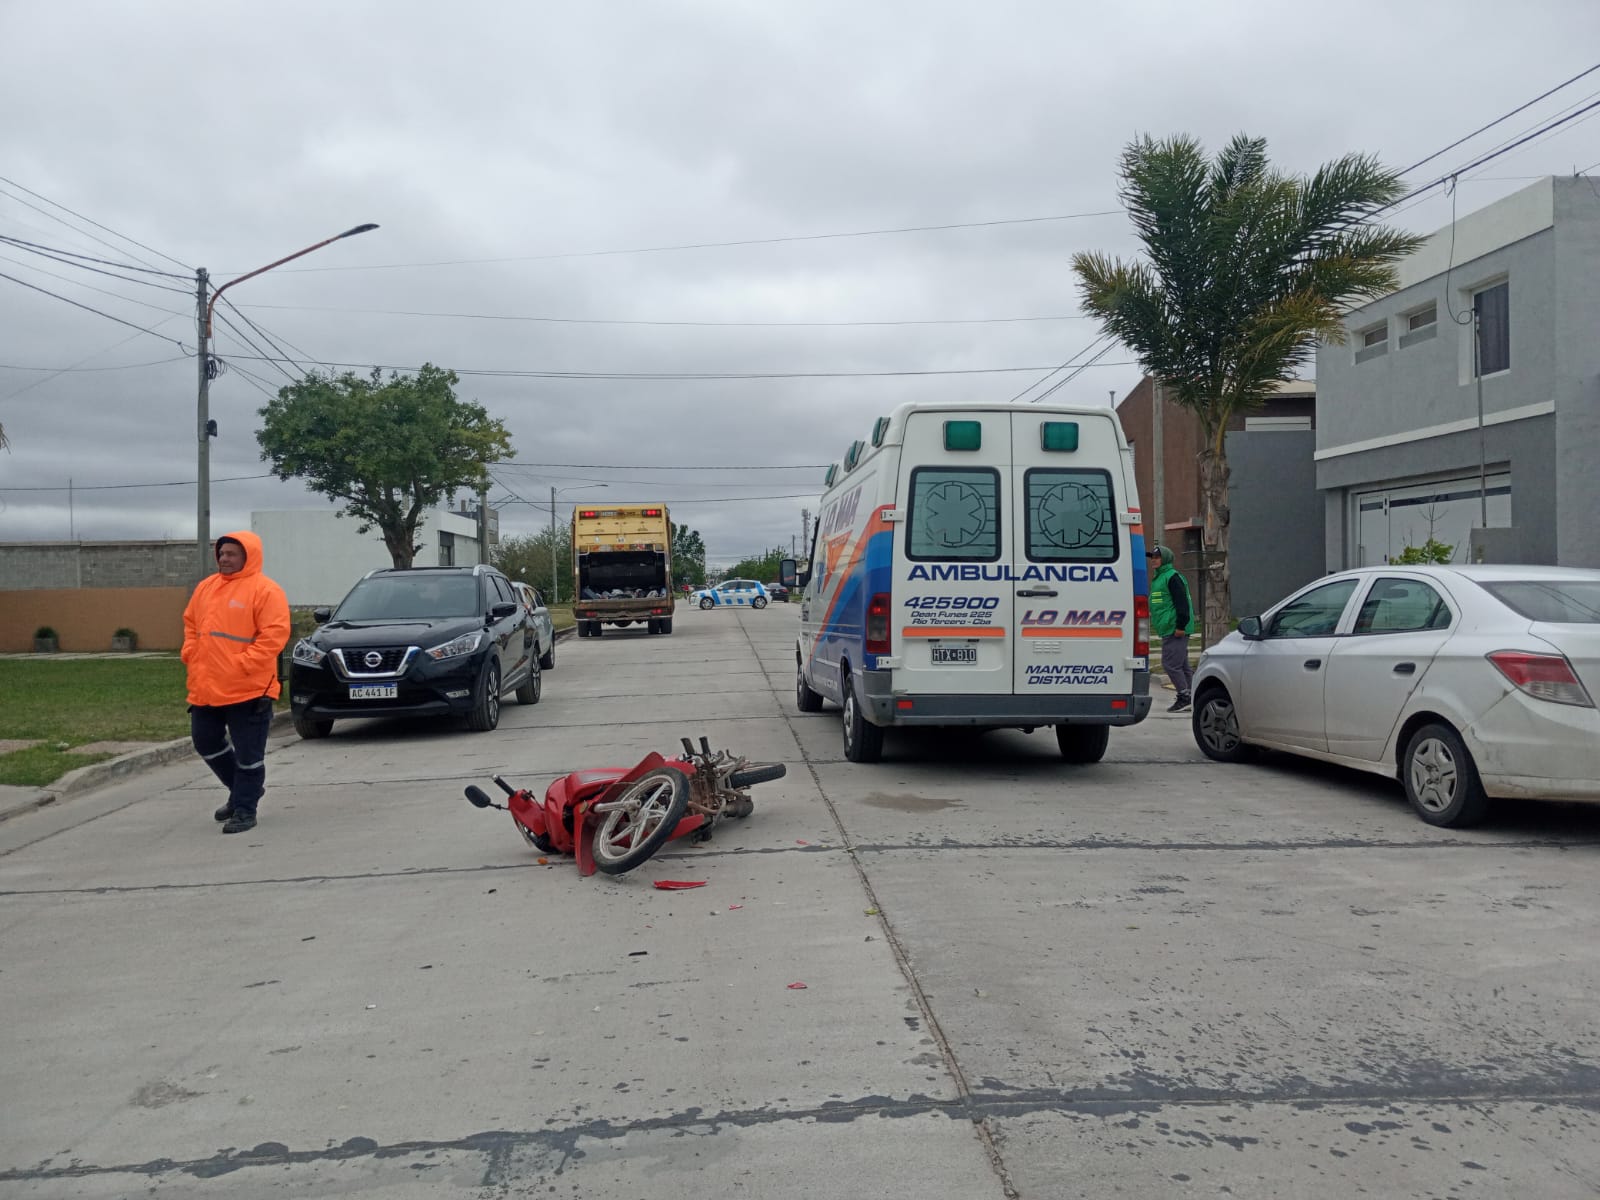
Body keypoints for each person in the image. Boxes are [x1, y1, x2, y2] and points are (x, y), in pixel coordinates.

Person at [181, 531, 291, 834]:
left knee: (248, 755)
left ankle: (244, 809)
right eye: (222, 553)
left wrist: (242, 665)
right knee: (205, 742)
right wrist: (189, 651)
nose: (224, 559)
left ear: (248, 556)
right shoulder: (206, 588)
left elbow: (274, 636)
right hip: (206, 687)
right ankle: (244, 791)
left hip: (249, 689)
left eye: (231, 554)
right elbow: (190, 624)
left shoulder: (265, 590)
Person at [1147, 544, 1195, 712]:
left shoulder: (1172, 577)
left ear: (1165, 559)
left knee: (1170, 665)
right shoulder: (1160, 577)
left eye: (1157, 557)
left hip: (1175, 628)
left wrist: (1180, 625)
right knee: (1182, 665)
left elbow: (1182, 603)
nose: (1153, 560)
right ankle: (1193, 697)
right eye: (1152, 557)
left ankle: (1184, 696)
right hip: (1168, 627)